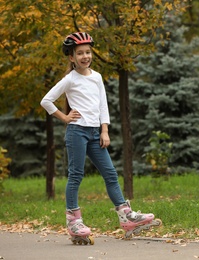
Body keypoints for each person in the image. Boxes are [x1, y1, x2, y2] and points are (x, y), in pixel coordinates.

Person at [40, 32, 160, 244]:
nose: (85, 56)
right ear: (71, 57)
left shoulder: (96, 77)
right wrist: (65, 118)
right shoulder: (69, 79)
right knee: (76, 175)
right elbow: (46, 101)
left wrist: (104, 130)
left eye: (88, 52)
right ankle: (73, 221)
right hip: (77, 131)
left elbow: (102, 105)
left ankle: (126, 216)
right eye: (80, 53)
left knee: (110, 173)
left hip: (95, 133)